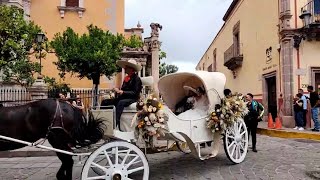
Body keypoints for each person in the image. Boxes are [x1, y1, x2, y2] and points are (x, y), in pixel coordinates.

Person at [101, 59, 142, 131]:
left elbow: (135, 93)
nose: (125, 68)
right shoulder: (126, 78)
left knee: (120, 103)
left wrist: (122, 92)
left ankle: (115, 125)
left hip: (132, 98)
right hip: (123, 97)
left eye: (126, 67)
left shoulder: (137, 79)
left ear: (131, 69)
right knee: (105, 102)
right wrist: (117, 91)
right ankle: (103, 121)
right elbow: (122, 90)